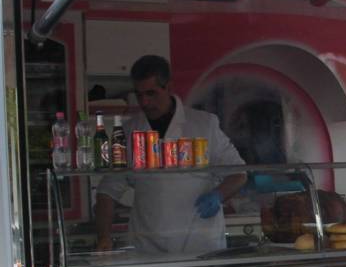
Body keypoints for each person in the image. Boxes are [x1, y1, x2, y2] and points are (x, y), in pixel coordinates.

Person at [94, 55, 246, 254]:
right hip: (146, 246)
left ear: (168, 87)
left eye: (151, 93)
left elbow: (239, 173)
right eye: (139, 95)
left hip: (199, 244)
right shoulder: (129, 131)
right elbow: (107, 191)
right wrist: (104, 237)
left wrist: (218, 195)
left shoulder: (204, 124)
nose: (145, 102)